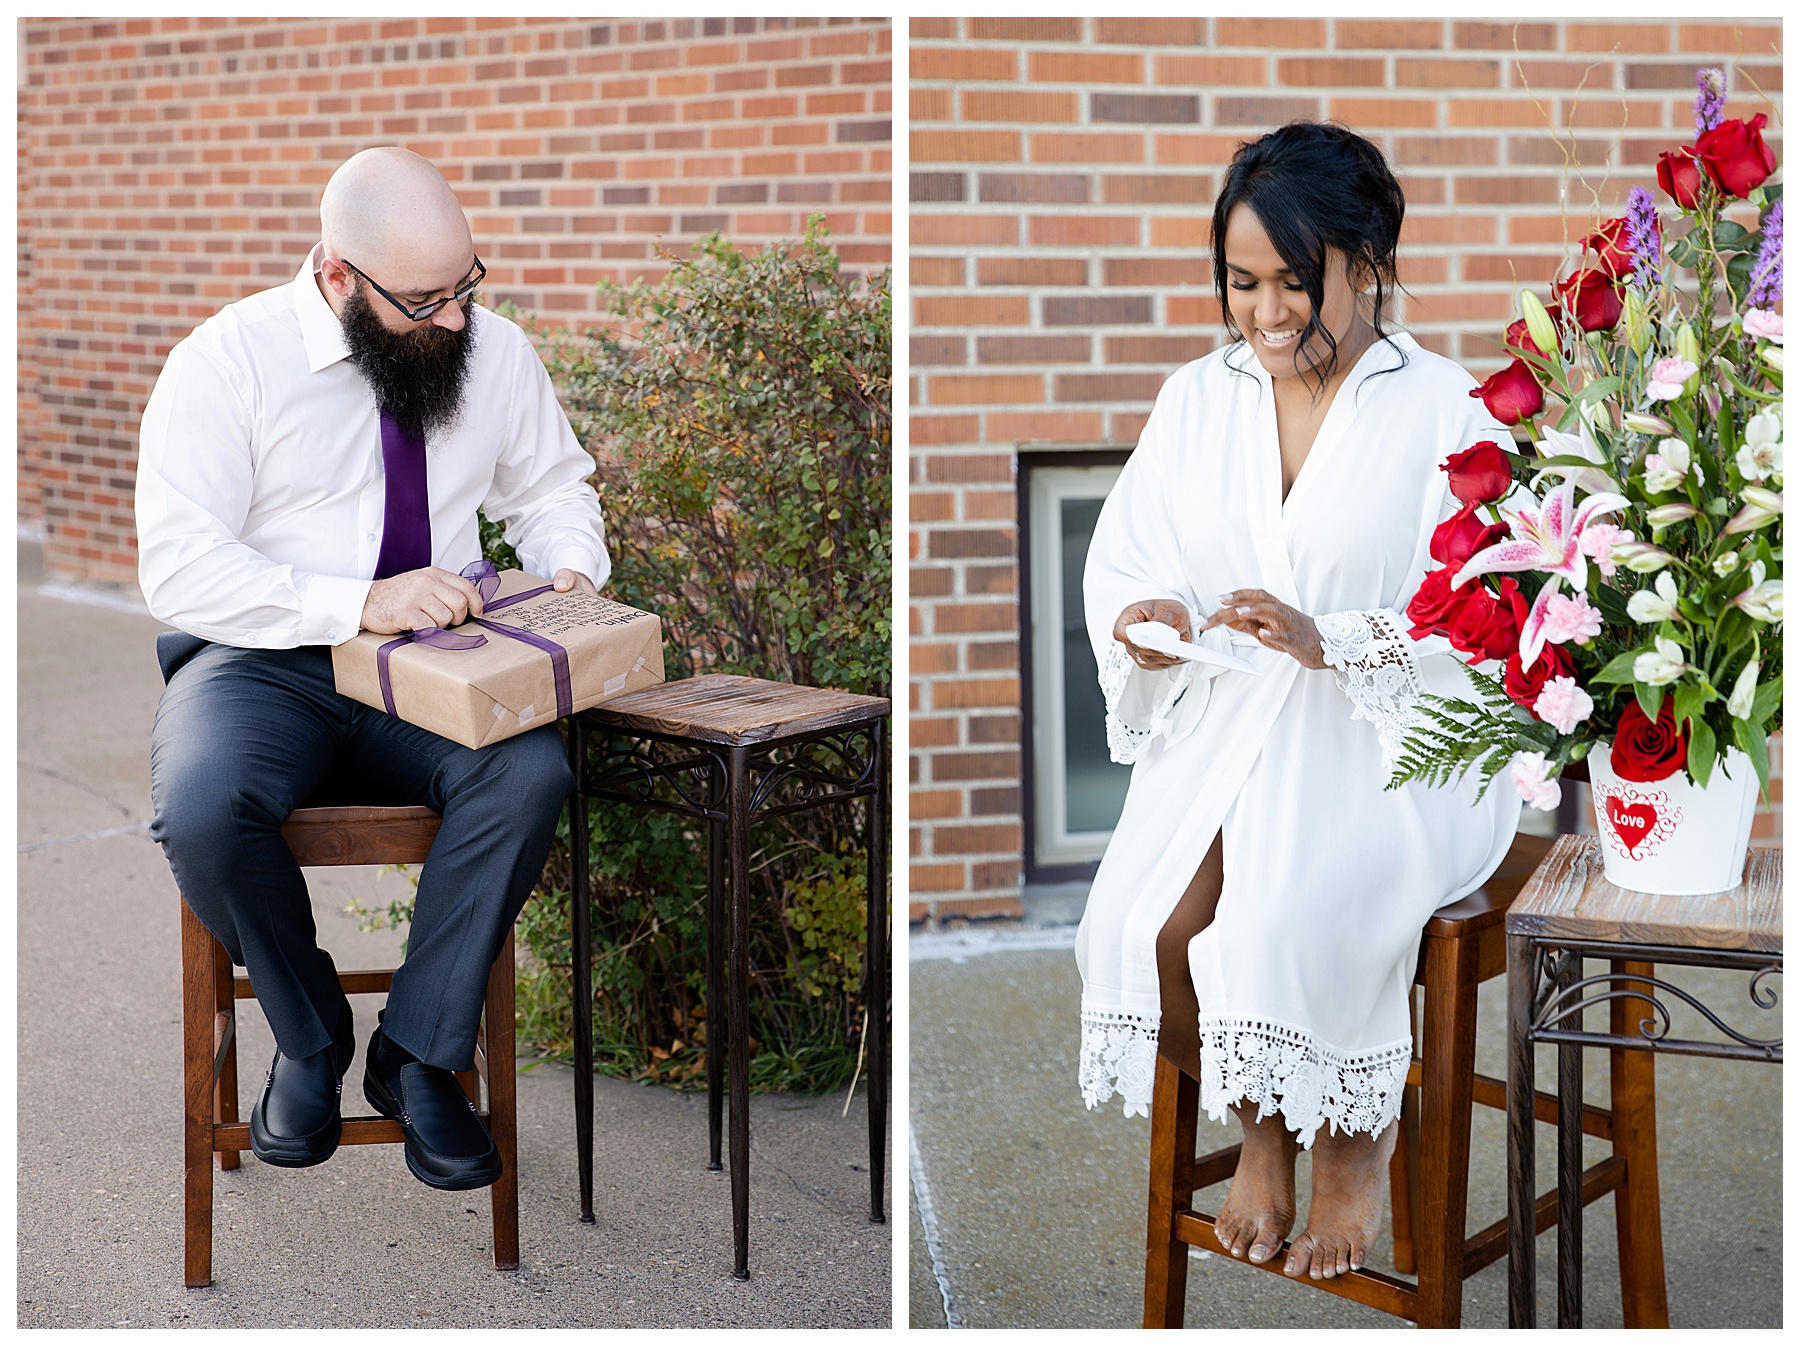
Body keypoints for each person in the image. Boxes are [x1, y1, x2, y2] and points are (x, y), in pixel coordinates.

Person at [1075, 122, 1521, 1281]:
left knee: (1279, 918)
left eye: (1293, 281)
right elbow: (1127, 560)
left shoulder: (1446, 406)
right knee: (1139, 929)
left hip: (1399, 744)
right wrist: (1145, 628)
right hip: (1235, 728)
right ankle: (1262, 1118)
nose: (1266, 315)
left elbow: (1493, 605)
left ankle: (1353, 1141)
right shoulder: (1197, 397)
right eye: (1242, 283)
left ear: (1366, 261)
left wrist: (1338, 641)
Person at [138, 147, 610, 1191]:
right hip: (267, 658)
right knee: (204, 805)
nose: (454, 321)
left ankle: (419, 1048)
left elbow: (554, 487)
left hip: (439, 662)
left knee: (528, 774)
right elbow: (178, 566)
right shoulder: (227, 362)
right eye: (425, 299)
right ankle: (311, 1037)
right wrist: (355, 602)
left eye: (466, 286)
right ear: (339, 274)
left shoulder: (492, 348)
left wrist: (569, 567)